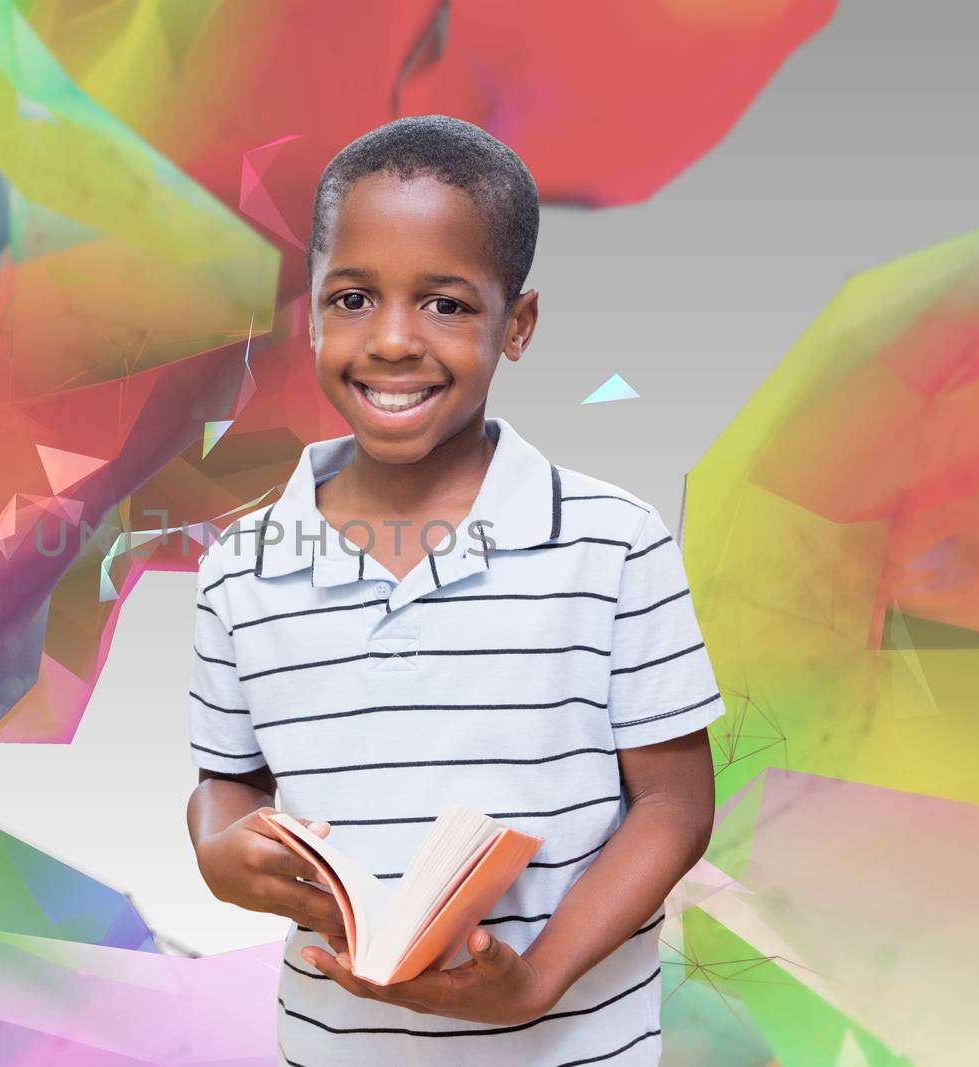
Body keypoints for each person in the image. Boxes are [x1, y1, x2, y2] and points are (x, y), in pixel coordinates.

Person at [184, 114, 723, 1067]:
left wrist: (539, 978)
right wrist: (217, 847)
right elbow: (229, 780)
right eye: (353, 298)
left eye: (447, 305)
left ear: (517, 325)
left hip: (572, 1048)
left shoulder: (614, 545)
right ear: (310, 312)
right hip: (335, 1047)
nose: (392, 340)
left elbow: (675, 805)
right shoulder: (242, 566)